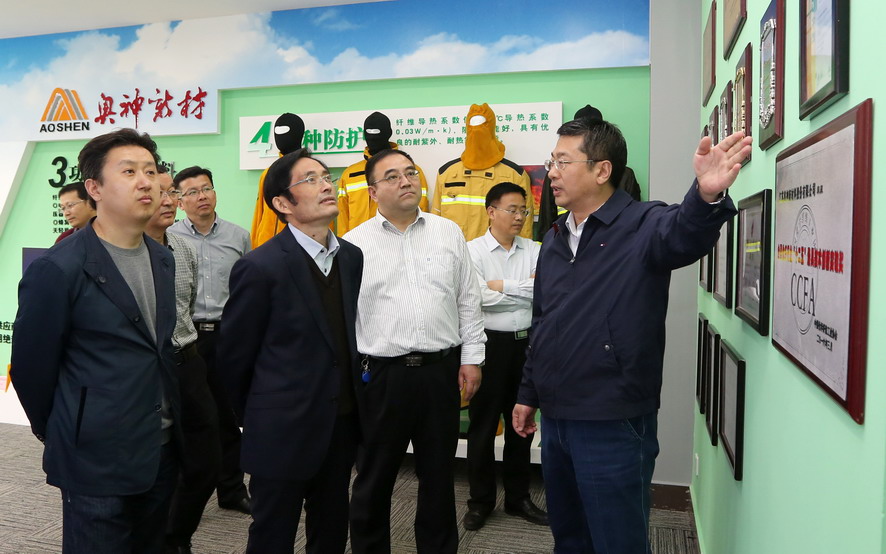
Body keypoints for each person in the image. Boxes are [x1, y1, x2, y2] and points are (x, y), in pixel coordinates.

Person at [512, 119, 752, 553]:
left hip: (612, 419)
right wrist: (528, 393)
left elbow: (684, 233)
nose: (553, 173)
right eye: (552, 162)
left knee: (617, 541)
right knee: (569, 537)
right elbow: (542, 320)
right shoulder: (555, 237)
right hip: (557, 416)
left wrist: (704, 196)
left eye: (563, 162)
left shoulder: (643, 223)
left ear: (602, 170)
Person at [11, 128, 180, 553]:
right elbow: (32, 368)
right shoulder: (59, 268)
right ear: (95, 188)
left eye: (151, 171)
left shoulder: (162, 257)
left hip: (159, 446)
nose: (146, 182)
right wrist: (69, 428)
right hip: (95, 455)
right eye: (129, 171)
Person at [219, 149, 364, 553]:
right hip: (280, 430)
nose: (326, 186)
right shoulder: (260, 267)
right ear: (283, 203)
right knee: (273, 534)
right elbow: (234, 360)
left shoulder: (351, 257)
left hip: (340, 424)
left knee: (331, 529)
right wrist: (261, 416)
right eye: (310, 180)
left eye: (326, 177)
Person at [344, 149, 486, 554]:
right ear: (373, 192)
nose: (406, 181)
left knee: (438, 475)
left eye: (410, 172)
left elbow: (468, 300)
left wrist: (472, 358)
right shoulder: (353, 246)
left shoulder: (448, 232)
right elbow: (345, 318)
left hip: (440, 373)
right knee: (374, 477)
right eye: (392, 176)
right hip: (381, 376)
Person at [144, 167, 221, 554]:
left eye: (172, 193)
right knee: (157, 466)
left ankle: (177, 537)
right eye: (159, 193)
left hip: (189, 362)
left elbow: (185, 308)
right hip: (149, 372)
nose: (169, 201)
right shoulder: (126, 252)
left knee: (206, 460)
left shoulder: (183, 249)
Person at [168, 166, 252, 515]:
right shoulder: (168, 238)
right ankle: (184, 498)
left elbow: (248, 290)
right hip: (186, 339)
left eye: (206, 188)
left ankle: (231, 490)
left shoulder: (239, 236)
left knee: (228, 418)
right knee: (189, 420)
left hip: (227, 337)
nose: (201, 196)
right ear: (179, 200)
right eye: (192, 192)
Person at [463, 182, 547, 531]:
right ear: (491, 211)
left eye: (523, 210)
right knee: (482, 428)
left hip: (527, 347)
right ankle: (480, 502)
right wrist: (522, 290)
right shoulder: (471, 251)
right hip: (489, 346)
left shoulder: (536, 249)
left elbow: (544, 291)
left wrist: (502, 286)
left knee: (521, 426)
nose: (519, 217)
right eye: (512, 209)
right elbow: (476, 297)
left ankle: (518, 498)